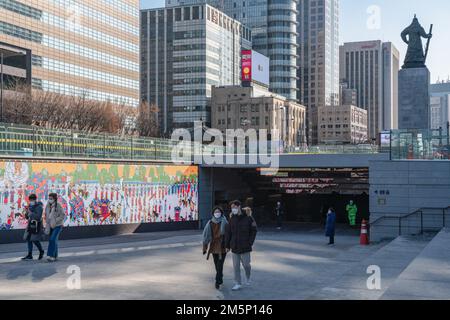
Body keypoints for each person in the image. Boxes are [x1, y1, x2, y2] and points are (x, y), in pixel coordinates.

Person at [225, 200, 258, 291]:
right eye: (232, 208)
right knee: (236, 266)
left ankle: (248, 276)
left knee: (246, 265)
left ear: (239, 207)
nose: (233, 209)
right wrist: (227, 245)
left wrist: (250, 242)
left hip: (245, 246)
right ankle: (238, 283)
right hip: (234, 246)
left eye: (234, 207)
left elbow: (254, 230)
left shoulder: (248, 218)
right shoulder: (232, 218)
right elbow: (228, 233)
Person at [202, 206, 228, 290]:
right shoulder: (210, 223)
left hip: (222, 247)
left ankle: (218, 281)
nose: (217, 213)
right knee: (217, 265)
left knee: (220, 265)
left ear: (221, 213)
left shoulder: (225, 222)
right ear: (213, 213)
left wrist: (228, 246)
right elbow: (206, 236)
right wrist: (205, 248)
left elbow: (228, 235)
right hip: (213, 247)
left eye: (218, 212)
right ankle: (220, 276)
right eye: (216, 212)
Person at [22, 194, 45, 261]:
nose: (31, 201)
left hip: (36, 225)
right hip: (30, 224)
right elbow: (27, 217)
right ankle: (30, 254)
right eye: (30, 200)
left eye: (32, 200)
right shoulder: (29, 206)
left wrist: (30, 213)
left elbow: (38, 217)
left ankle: (41, 251)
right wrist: (26, 213)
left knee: (34, 240)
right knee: (29, 239)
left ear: (35, 199)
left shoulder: (39, 207)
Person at [44, 193, 65, 262]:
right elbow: (46, 215)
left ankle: (50, 255)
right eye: (49, 198)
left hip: (58, 225)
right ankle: (55, 256)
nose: (50, 200)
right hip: (50, 226)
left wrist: (55, 220)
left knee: (52, 239)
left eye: (51, 198)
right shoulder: (47, 206)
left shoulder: (58, 205)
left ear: (55, 199)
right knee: (54, 240)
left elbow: (62, 215)